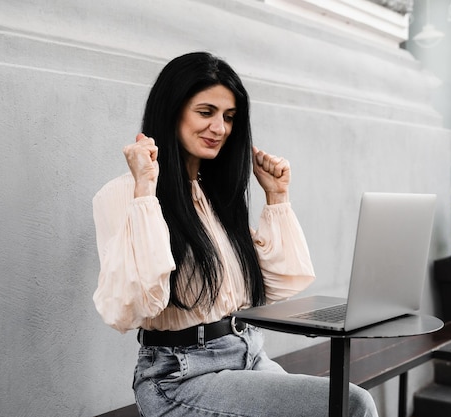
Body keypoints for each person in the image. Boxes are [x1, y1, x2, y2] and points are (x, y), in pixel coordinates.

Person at [92, 51, 378, 417]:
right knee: (353, 404)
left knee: (341, 403)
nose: (220, 128)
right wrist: (145, 191)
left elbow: (278, 287)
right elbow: (130, 306)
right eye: (206, 112)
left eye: (228, 117)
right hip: (180, 377)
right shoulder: (124, 195)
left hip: (249, 355)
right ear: (172, 110)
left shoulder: (217, 200)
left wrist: (277, 196)